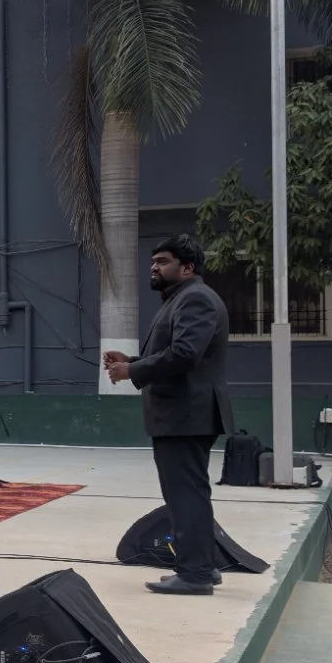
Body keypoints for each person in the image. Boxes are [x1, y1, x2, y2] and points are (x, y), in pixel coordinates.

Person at [104, 234, 233, 596]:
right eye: (153, 262)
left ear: (187, 267)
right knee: (187, 493)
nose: (154, 268)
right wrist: (133, 362)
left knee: (186, 494)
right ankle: (202, 567)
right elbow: (177, 352)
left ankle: (194, 574)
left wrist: (133, 372)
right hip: (181, 414)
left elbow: (185, 355)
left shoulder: (195, 299)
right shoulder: (181, 299)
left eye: (162, 262)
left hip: (186, 415)